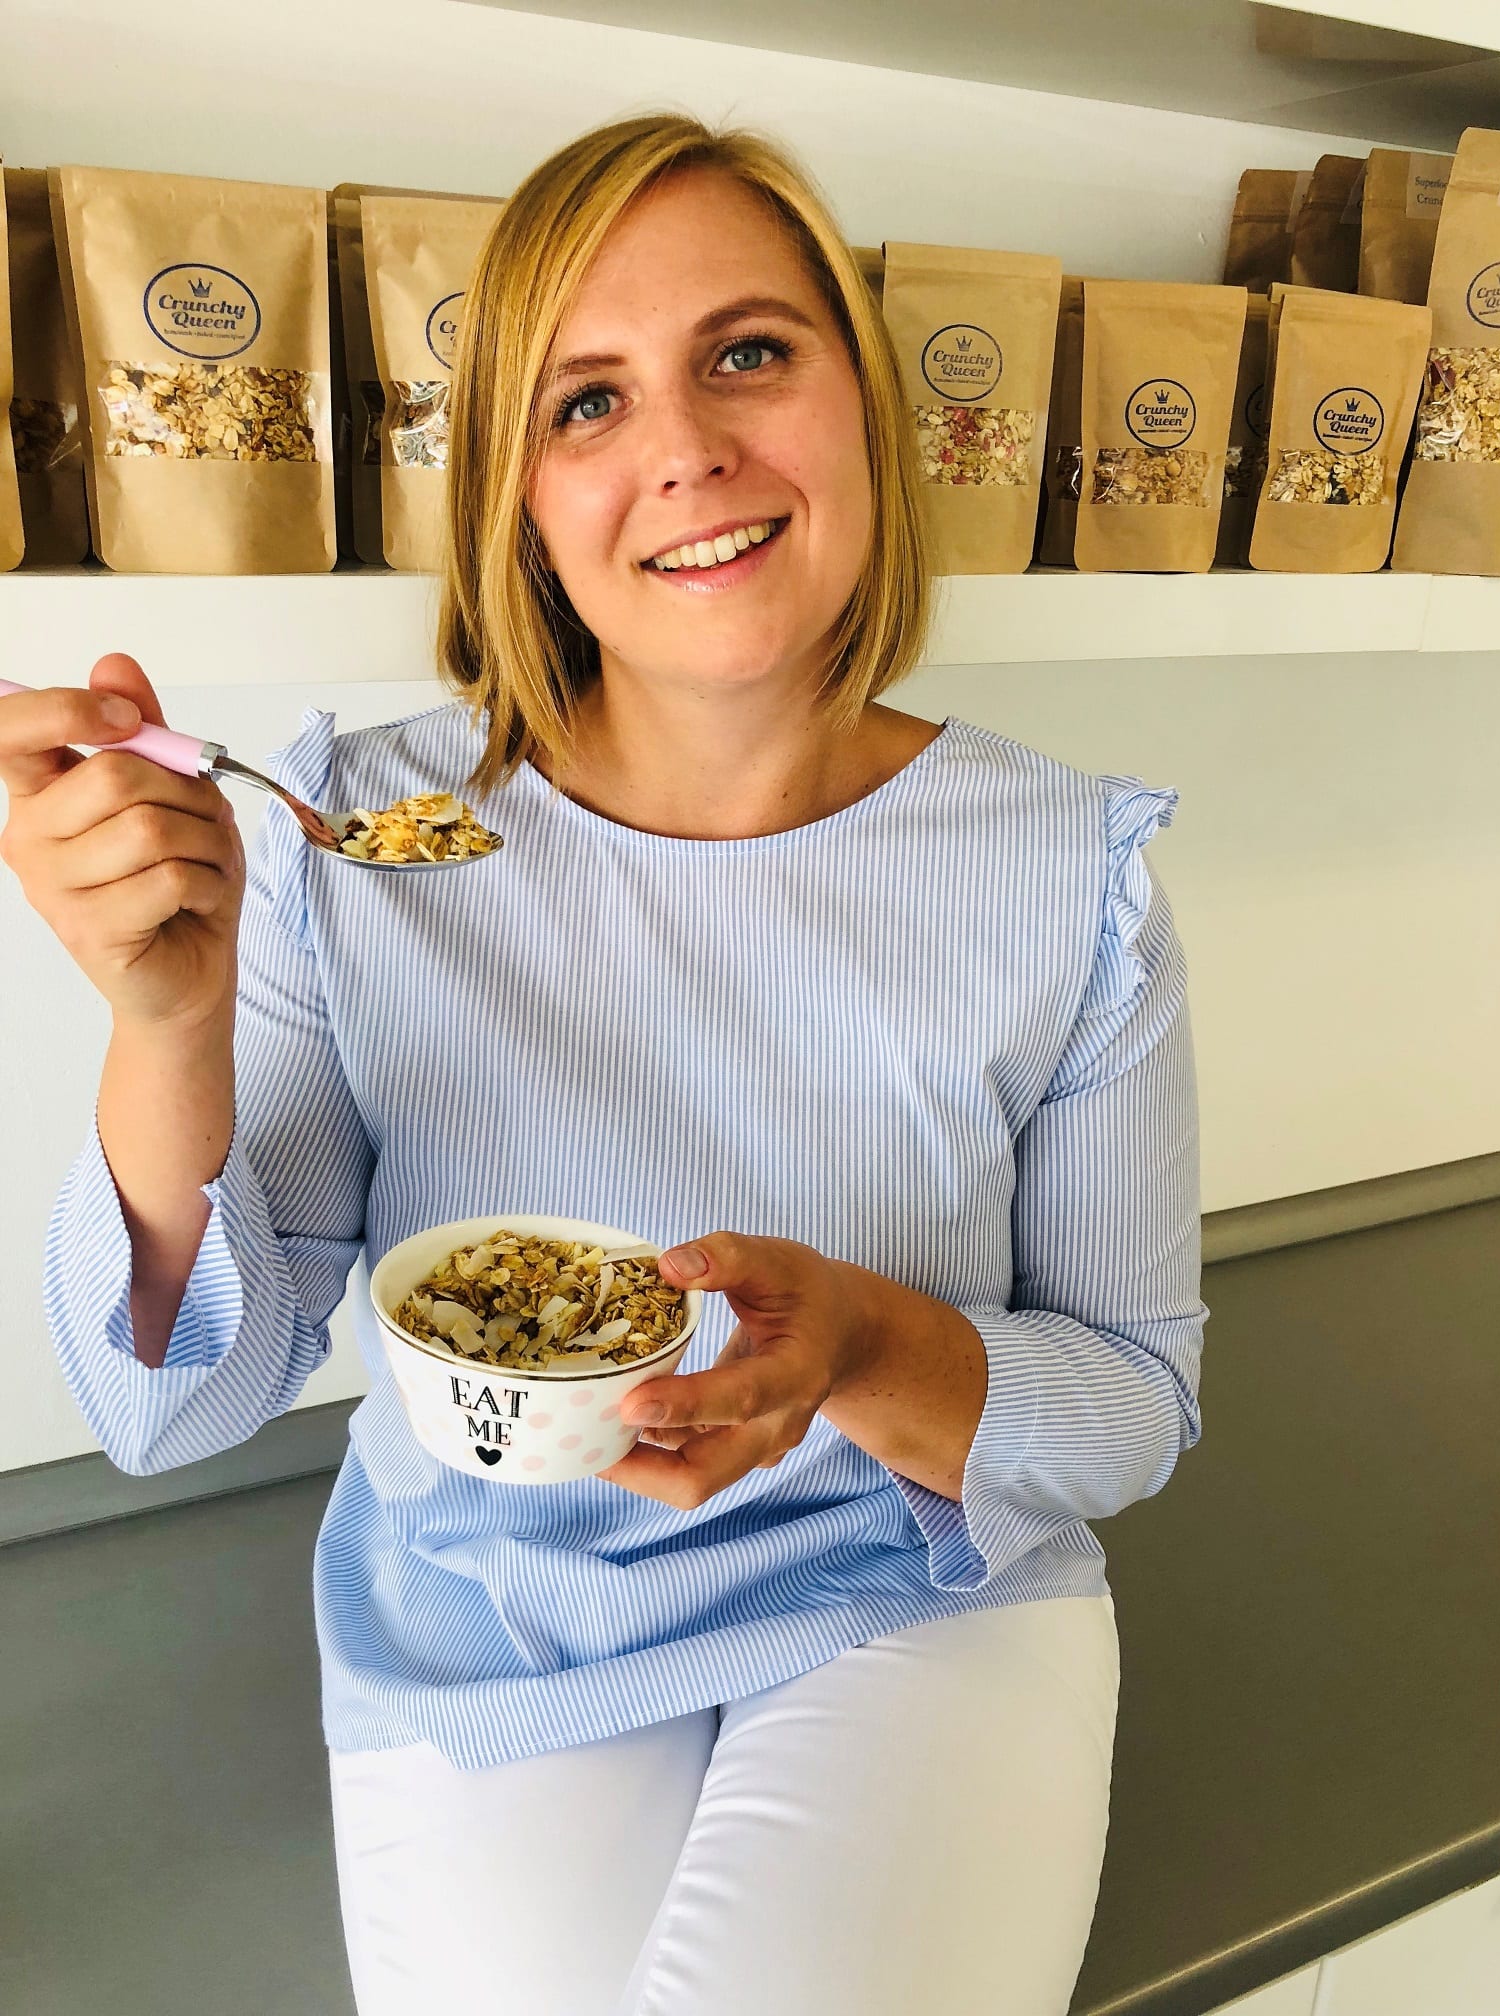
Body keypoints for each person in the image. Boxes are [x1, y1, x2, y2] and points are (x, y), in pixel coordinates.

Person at [1, 114, 1207, 2016]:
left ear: (861, 408)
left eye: (749, 351)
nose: (685, 451)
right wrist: (168, 1022)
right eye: (585, 402)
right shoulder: (355, 841)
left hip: (912, 1585)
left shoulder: (1070, 875)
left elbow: (1133, 1407)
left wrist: (868, 1349)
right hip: (479, 1608)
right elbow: (177, 1409)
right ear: (523, 501)